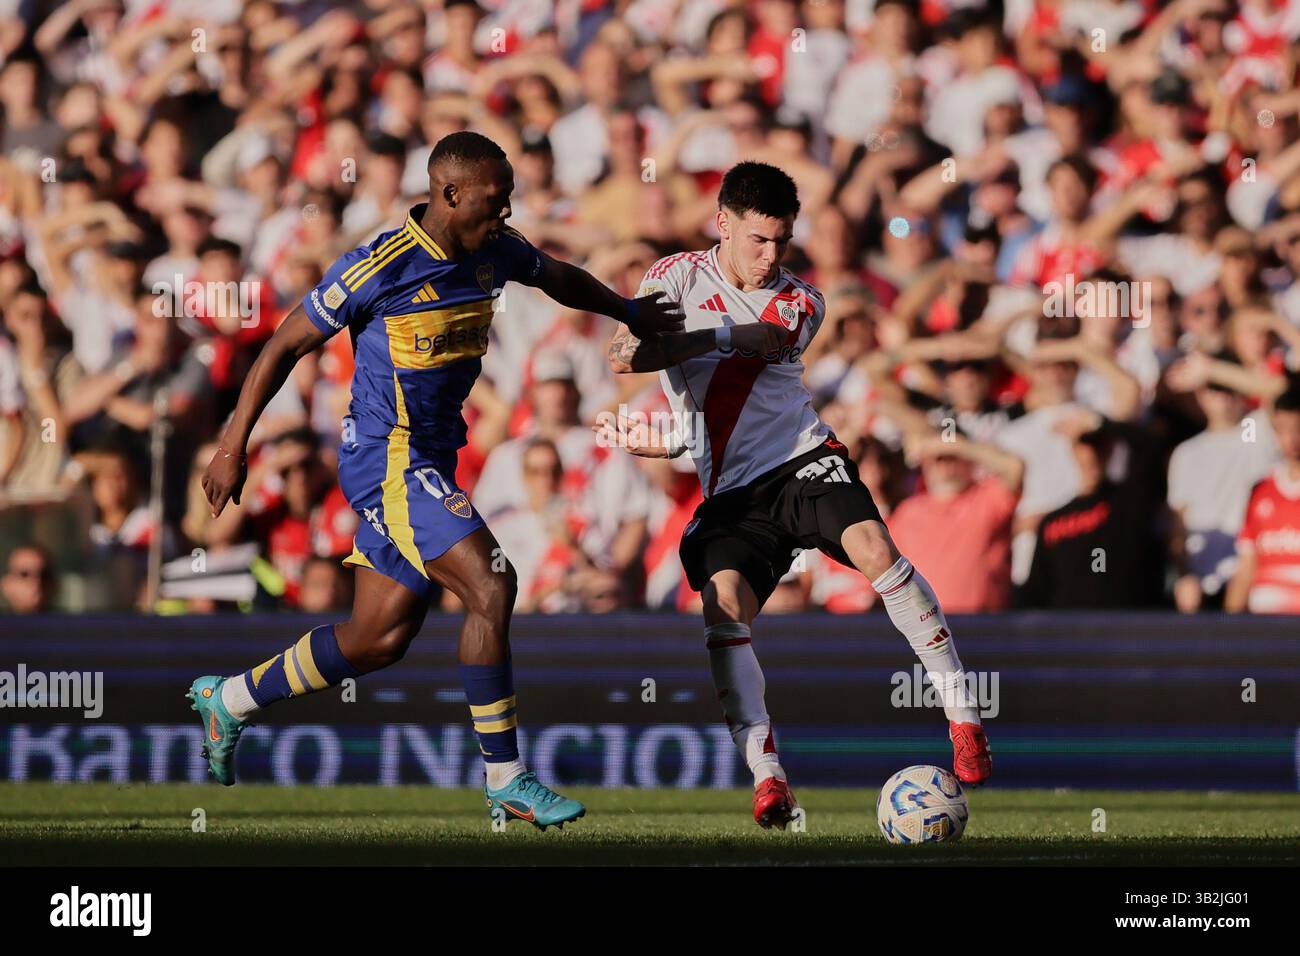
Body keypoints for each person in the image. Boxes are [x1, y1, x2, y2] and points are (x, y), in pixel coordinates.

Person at [190, 131, 683, 829]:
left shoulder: (493, 250)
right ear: (449, 194)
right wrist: (231, 443)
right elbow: (286, 342)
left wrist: (628, 310)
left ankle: (230, 701)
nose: (505, 214)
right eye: (494, 200)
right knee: (493, 582)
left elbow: (556, 275)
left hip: (433, 459)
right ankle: (507, 777)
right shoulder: (378, 266)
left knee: (376, 640)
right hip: (387, 458)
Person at [597, 161, 992, 830]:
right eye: (757, 240)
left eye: (782, 241)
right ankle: (768, 777)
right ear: (721, 222)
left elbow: (764, 340)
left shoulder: (804, 299)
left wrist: (689, 343)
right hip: (731, 491)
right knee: (723, 610)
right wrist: (669, 427)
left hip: (801, 458)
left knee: (874, 549)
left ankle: (961, 713)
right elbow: (623, 355)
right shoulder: (673, 277)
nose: (771, 255)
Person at [1226, 390, 1300, 614]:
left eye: (1297, 428)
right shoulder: (1260, 490)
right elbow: (1246, 566)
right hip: (1266, 628)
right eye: (1282, 430)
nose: (1291, 439)